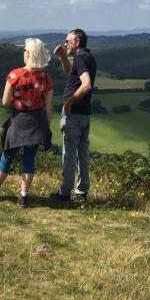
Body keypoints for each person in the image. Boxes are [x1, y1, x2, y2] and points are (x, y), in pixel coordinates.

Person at [0, 38, 53, 207]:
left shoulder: (14, 75)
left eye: (25, 50)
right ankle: (23, 196)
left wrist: (17, 102)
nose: (23, 53)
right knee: (29, 159)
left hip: (18, 120)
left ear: (29, 54)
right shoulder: (45, 77)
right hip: (37, 121)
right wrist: (46, 128)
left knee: (7, 155)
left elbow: (4, 101)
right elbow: (49, 108)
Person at [53, 28, 96, 203]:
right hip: (85, 113)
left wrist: (70, 102)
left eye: (68, 41)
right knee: (83, 153)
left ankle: (65, 192)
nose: (66, 43)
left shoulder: (80, 57)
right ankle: (81, 193)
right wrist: (63, 56)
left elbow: (86, 85)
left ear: (77, 42)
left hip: (74, 113)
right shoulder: (87, 57)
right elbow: (71, 74)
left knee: (69, 154)